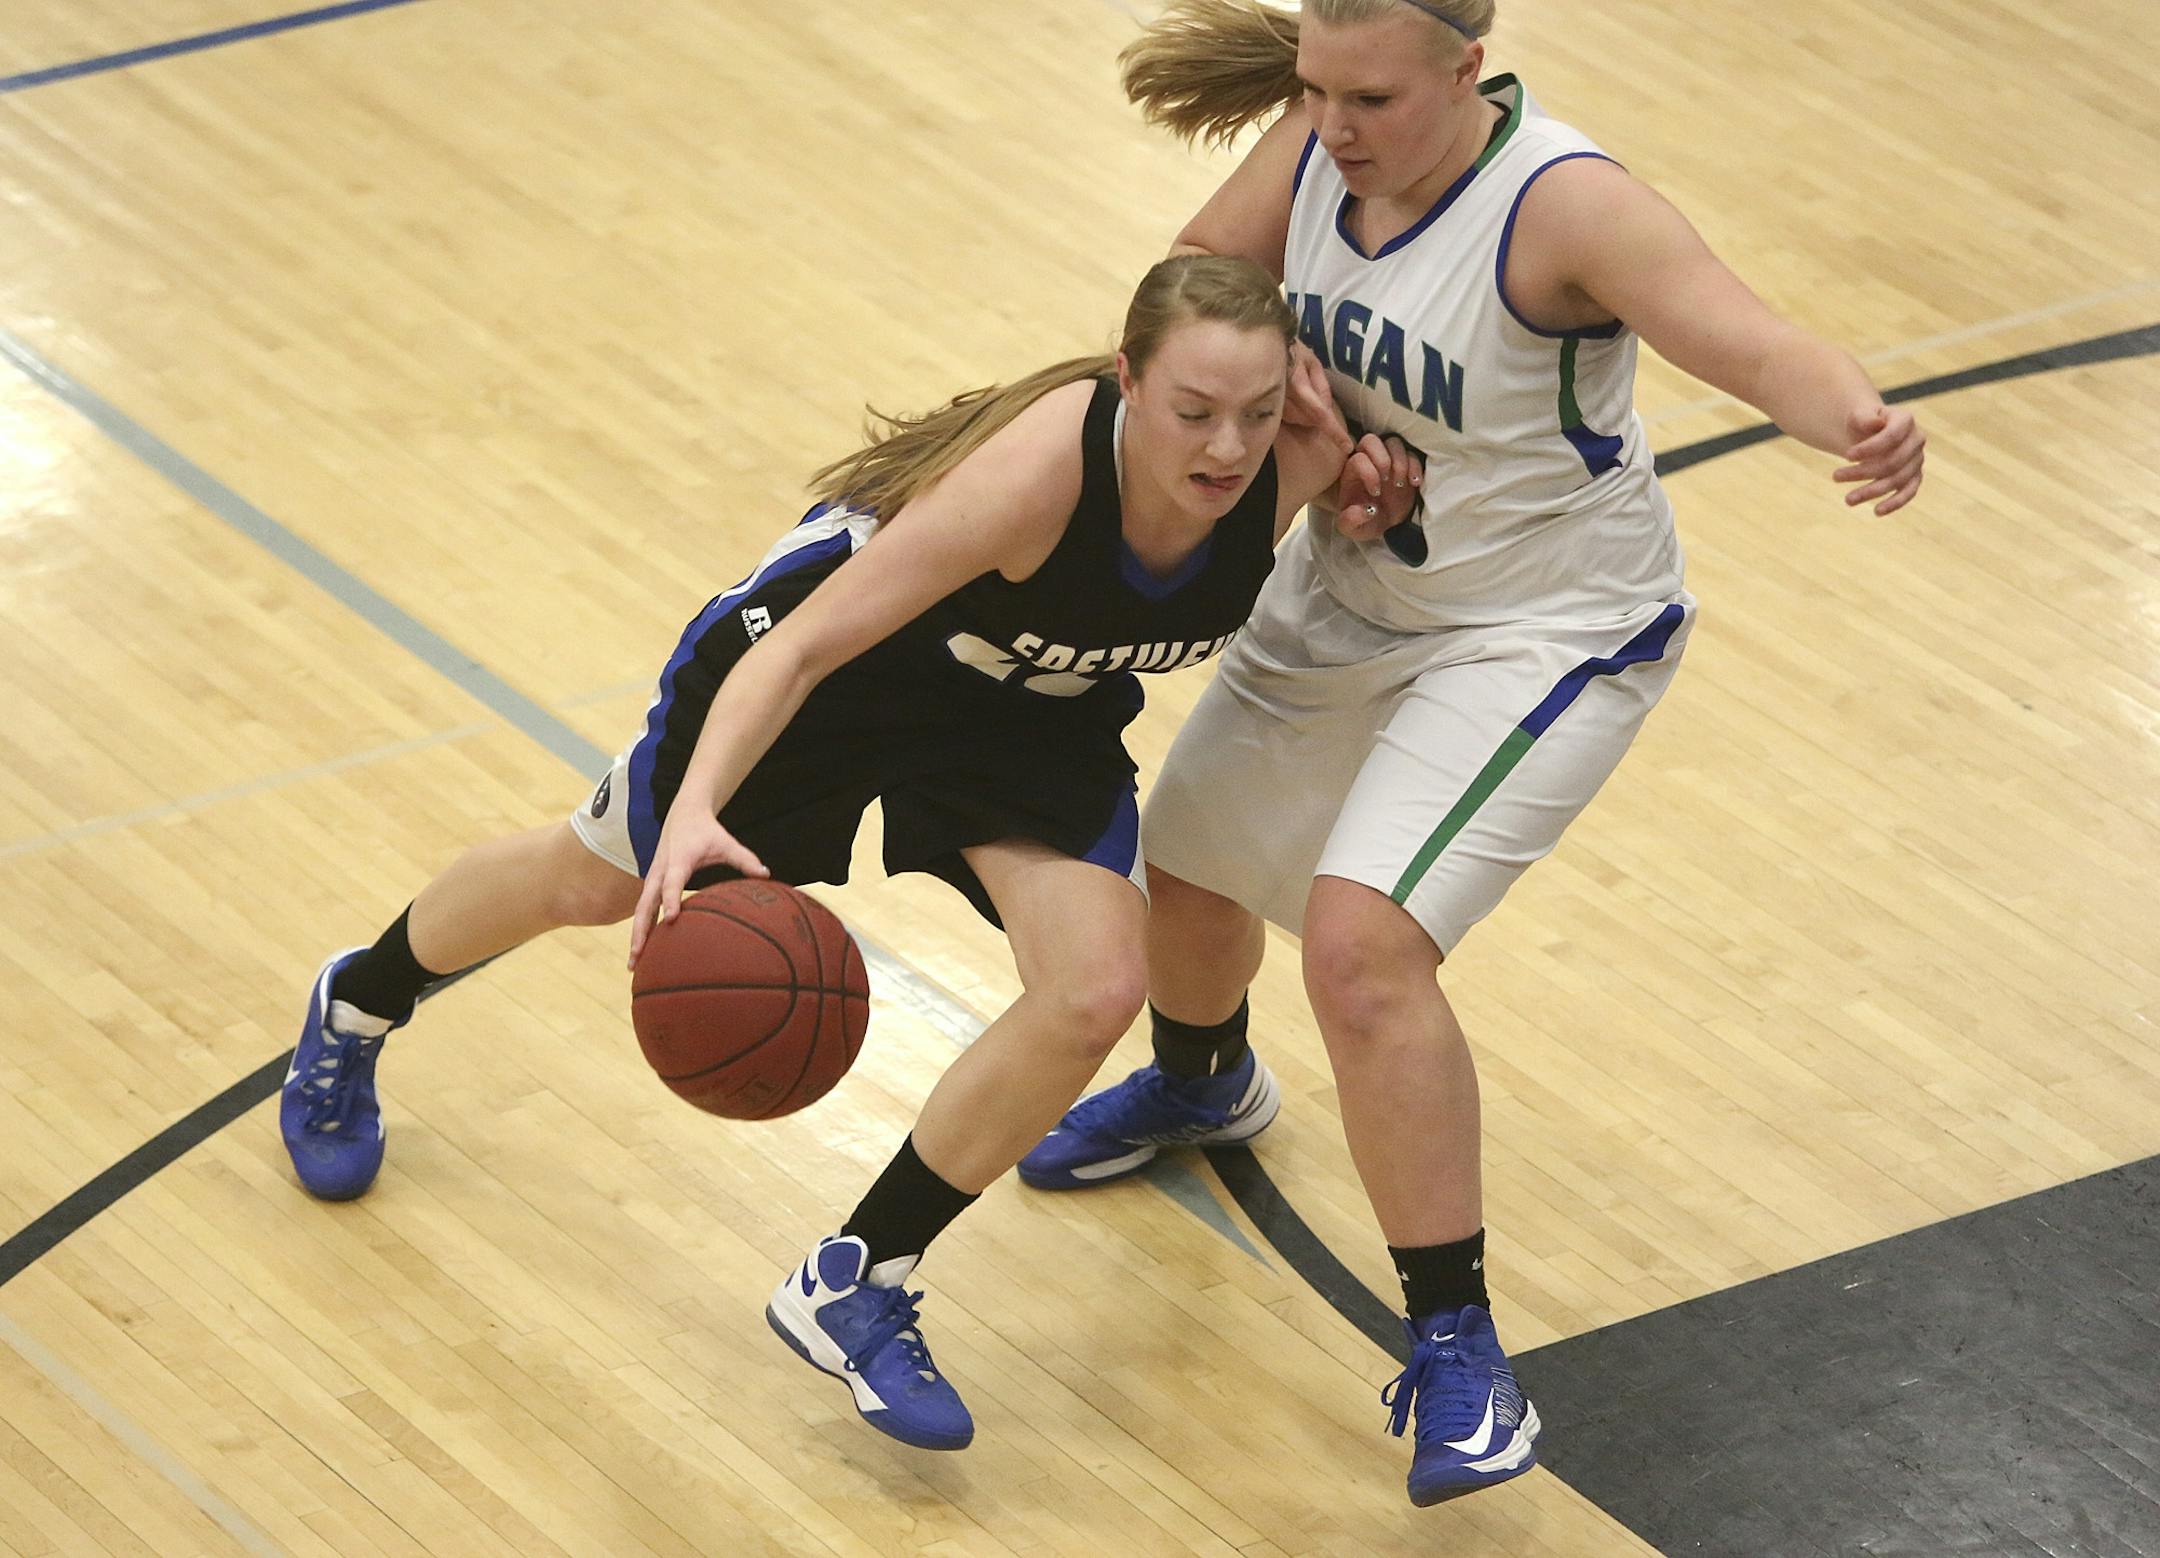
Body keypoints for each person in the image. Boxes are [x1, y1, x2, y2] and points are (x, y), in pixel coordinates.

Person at [1017, 0, 1928, 1506]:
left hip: (1541, 624)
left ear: (1469, 69)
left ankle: (1460, 1346)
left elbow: (1744, 330)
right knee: (1181, 872)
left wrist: (1858, 420)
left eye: (1369, 95)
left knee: (1364, 950)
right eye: (1315, 90)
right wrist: (1299, 406)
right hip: (1357, 580)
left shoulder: (1565, 206)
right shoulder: (1315, 143)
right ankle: (1203, 1081)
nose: (1335, 125)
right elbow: (1184, 298)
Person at [278, 254, 1418, 1453]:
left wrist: (1361, 498)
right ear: (1128, 380)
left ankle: (856, 1281)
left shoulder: (1286, 468)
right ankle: (355, 1005)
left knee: (1094, 987)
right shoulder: (1029, 483)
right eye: (1193, 411)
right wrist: (703, 804)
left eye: (1251, 412)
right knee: (594, 878)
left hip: (1026, 707)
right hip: (833, 675)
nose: (1226, 446)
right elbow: (805, 649)